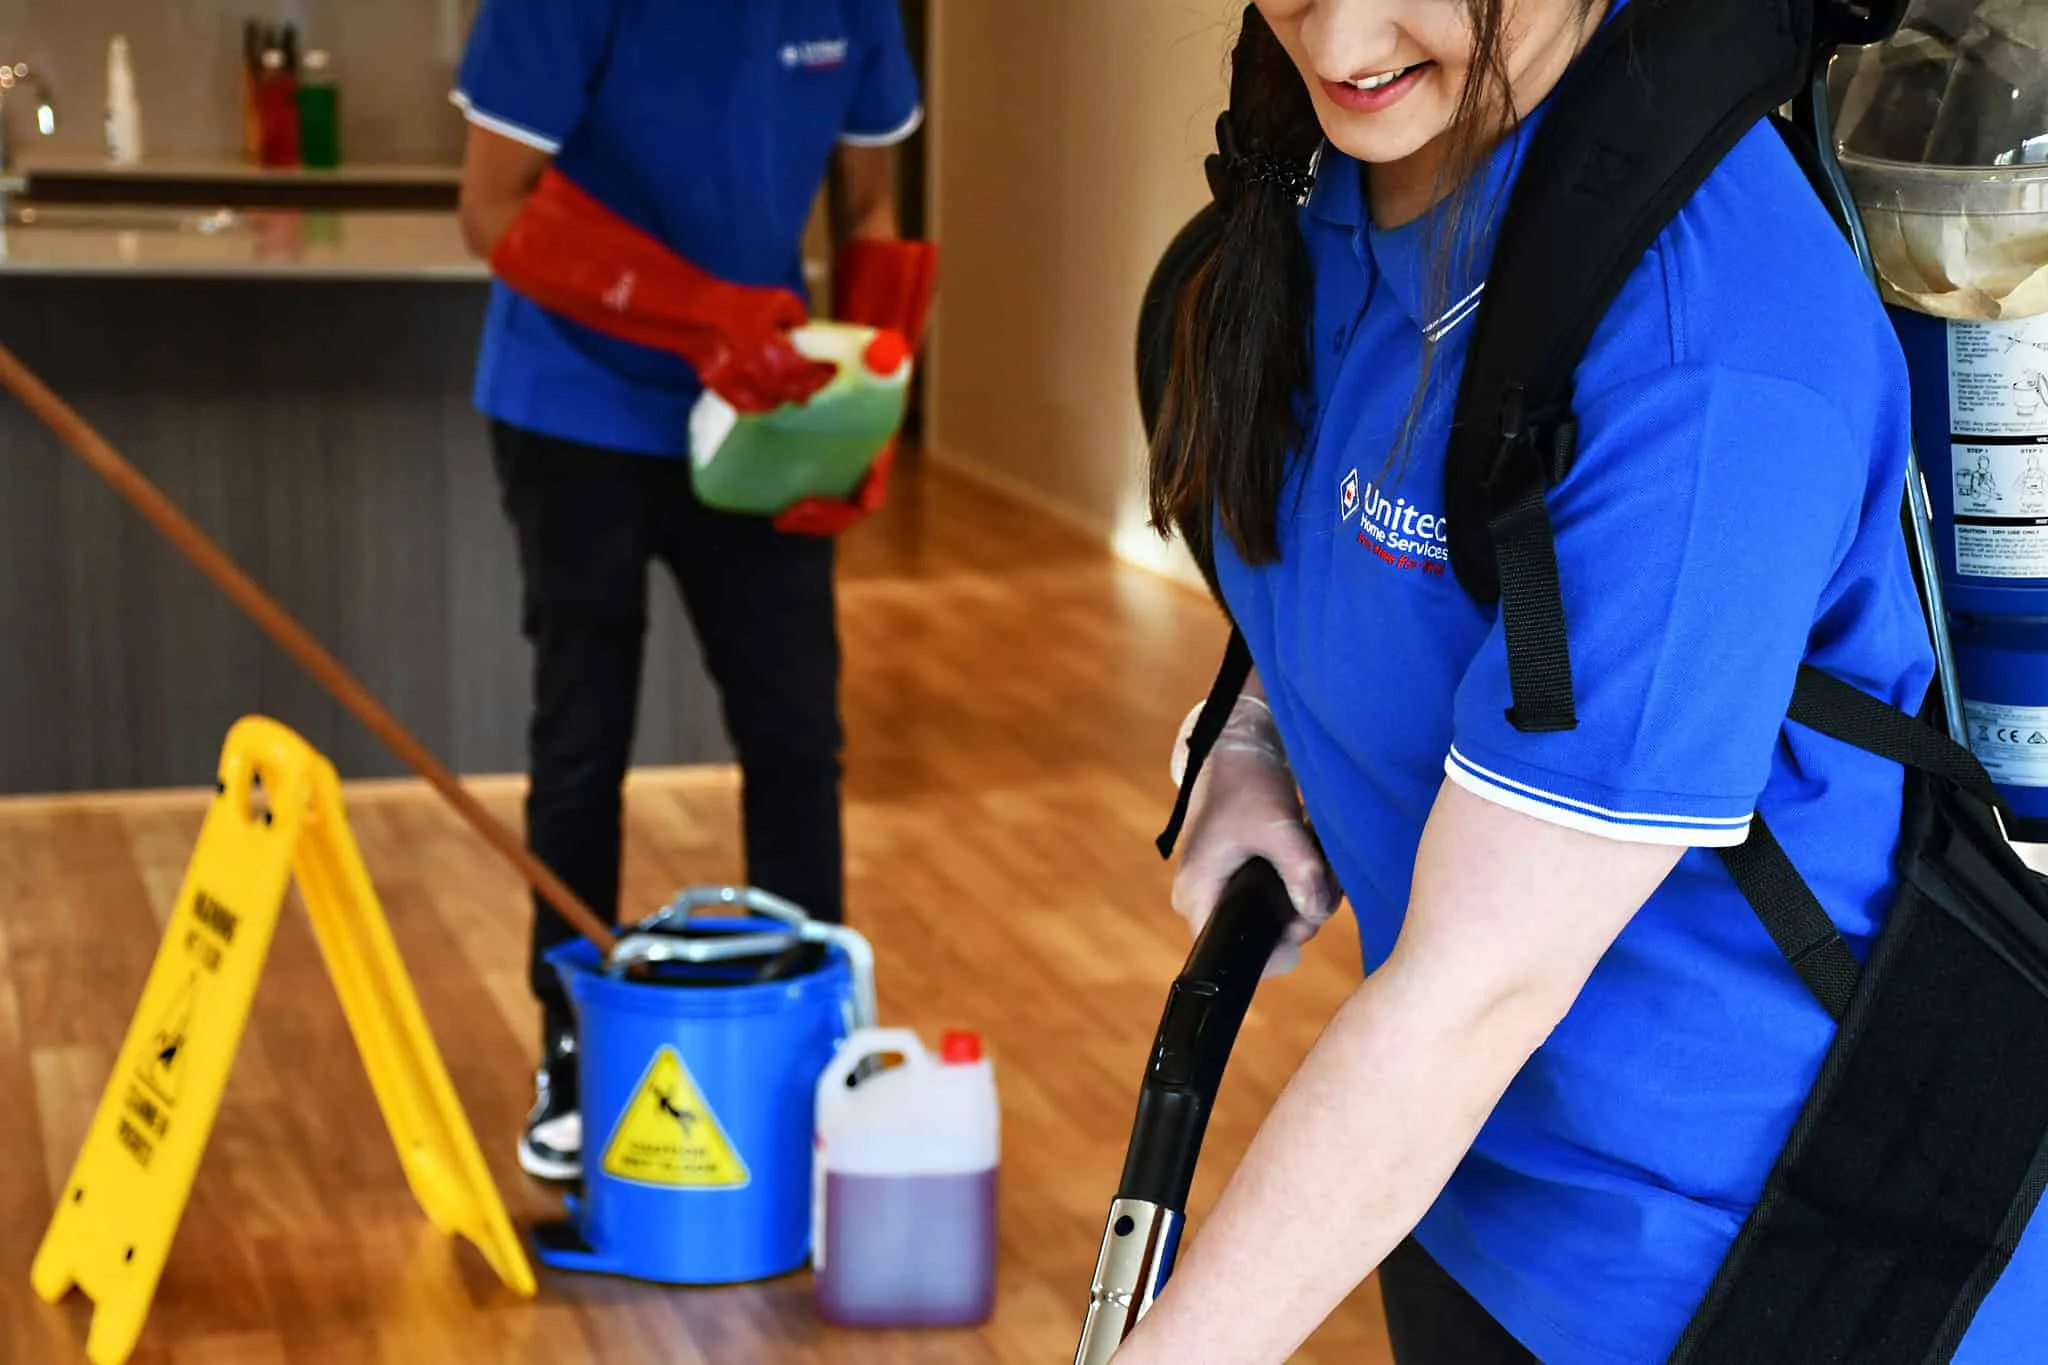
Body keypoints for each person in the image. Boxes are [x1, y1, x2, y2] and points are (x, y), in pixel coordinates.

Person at [1115, 2, 2048, 1362]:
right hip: (1455, 1191)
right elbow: (1359, 516)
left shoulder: (1707, 347)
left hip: (1775, 1265)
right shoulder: (1322, 192)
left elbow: (1478, 989)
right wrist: (1255, 734)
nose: (1342, 35)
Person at [448, 0, 923, 1183]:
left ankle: (811, 1051)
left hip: (762, 405)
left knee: (795, 735)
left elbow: (869, 205)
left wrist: (864, 396)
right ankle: (572, 1056)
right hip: (576, 403)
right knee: (583, 739)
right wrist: (701, 314)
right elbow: (492, 206)